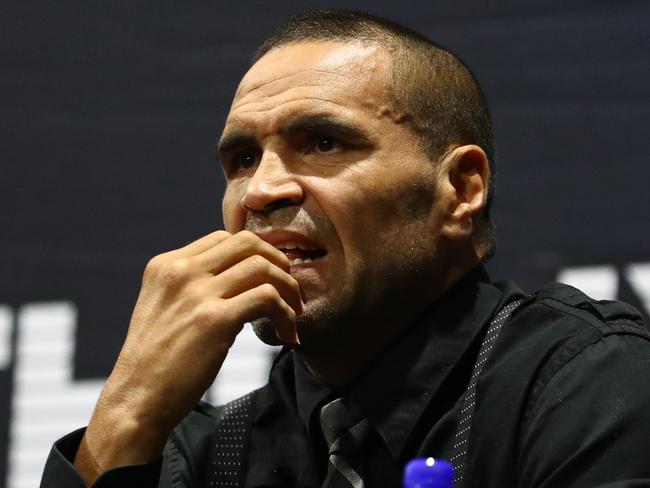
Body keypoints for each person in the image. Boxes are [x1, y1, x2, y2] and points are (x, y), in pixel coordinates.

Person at [40, 9, 650, 488]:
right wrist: (126, 415)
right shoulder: (197, 457)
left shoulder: (589, 386)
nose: (261, 190)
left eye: (324, 142)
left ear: (460, 189)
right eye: (242, 159)